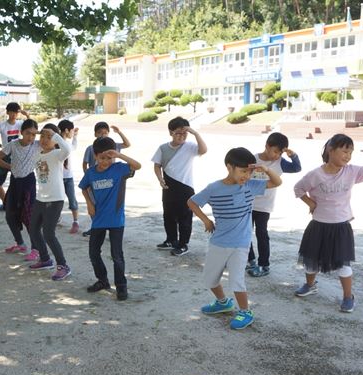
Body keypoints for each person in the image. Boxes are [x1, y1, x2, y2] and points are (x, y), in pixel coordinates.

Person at [188, 147, 282, 330]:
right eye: (242, 171)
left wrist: (266, 170)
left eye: (249, 171)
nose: (246, 175)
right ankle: (223, 302)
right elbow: (192, 202)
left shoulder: (251, 185)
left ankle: (245, 311)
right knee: (210, 279)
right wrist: (206, 220)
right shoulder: (214, 188)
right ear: (229, 167)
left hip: (241, 243)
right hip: (219, 241)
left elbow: (276, 183)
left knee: (237, 279)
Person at [293, 134, 363, 313]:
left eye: (350, 152)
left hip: (341, 226)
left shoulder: (351, 171)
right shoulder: (315, 175)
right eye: (344, 151)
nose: (348, 155)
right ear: (330, 150)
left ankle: (348, 297)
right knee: (311, 261)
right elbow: (298, 188)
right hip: (318, 225)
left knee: (343, 265)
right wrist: (310, 203)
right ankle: (310, 285)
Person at [78, 137, 141, 301]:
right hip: (98, 219)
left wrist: (119, 156)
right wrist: (89, 203)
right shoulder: (91, 172)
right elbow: (83, 187)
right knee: (93, 253)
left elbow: (138, 166)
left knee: (116, 255)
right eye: (102, 158)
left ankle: (121, 286)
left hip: (116, 220)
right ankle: (102, 280)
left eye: (109, 157)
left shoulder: (119, 169)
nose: (106, 161)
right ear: (95, 156)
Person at [246, 132, 302, 277]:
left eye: (280, 152)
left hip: (264, 206)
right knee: (245, 233)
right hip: (247, 203)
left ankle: (264, 265)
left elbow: (296, 168)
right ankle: (250, 260)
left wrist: (292, 156)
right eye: (275, 151)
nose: (277, 155)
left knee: (261, 234)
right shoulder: (253, 158)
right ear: (267, 146)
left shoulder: (280, 163)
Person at [152, 117, 207, 257]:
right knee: (168, 215)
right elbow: (157, 165)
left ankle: (183, 244)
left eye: (184, 133)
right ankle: (171, 240)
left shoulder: (189, 147)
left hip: (186, 187)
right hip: (168, 186)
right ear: (171, 132)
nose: (181, 136)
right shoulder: (163, 148)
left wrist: (195, 133)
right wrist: (160, 179)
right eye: (178, 133)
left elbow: (203, 150)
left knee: (185, 217)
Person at [27, 124, 73, 280]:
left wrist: (55, 134)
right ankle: (45, 259)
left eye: (49, 137)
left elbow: (67, 149)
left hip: (55, 198)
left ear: (55, 140)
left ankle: (63, 266)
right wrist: (37, 133)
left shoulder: (58, 154)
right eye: (43, 136)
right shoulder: (37, 155)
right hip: (41, 198)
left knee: (48, 233)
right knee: (33, 230)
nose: (45, 140)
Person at [1, 119, 42, 260]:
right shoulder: (13, 144)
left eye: (33, 134)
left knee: (29, 217)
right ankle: (20, 243)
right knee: (10, 214)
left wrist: (41, 133)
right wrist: (10, 167)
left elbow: (57, 142)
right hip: (15, 183)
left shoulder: (38, 145)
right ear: (21, 132)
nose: (30, 137)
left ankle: (36, 249)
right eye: (27, 133)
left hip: (29, 183)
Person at [81, 122, 131, 237]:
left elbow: (127, 144)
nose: (102, 135)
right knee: (95, 204)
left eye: (105, 132)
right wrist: (87, 176)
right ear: (95, 134)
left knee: (110, 204)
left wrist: (119, 132)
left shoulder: (113, 146)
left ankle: (109, 227)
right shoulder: (91, 148)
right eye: (99, 133)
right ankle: (96, 225)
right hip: (95, 181)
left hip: (111, 180)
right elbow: (85, 163)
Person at [0, 102, 29, 211]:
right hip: (5, 156)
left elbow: (31, 128)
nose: (14, 114)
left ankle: (20, 205)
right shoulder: (2, 125)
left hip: (18, 155)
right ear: (7, 112)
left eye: (16, 112)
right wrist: (0, 145)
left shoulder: (20, 124)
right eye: (12, 112)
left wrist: (27, 115)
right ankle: (6, 204)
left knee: (19, 182)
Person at [58, 119, 80, 234]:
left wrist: (75, 136)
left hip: (67, 177)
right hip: (59, 177)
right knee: (60, 199)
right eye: (72, 130)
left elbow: (73, 147)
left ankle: (75, 222)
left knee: (71, 200)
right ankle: (60, 219)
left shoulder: (65, 143)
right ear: (66, 130)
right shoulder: (57, 143)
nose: (72, 132)